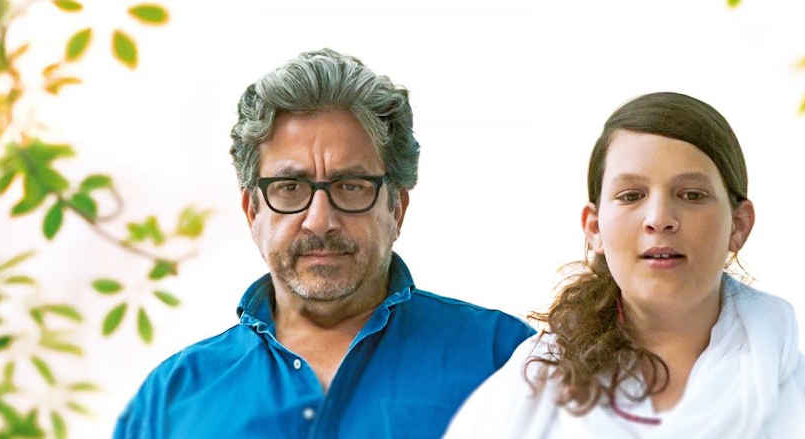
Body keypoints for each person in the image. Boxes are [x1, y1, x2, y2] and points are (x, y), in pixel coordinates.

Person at [113, 48, 535, 438]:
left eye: (351, 186)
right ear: (252, 211)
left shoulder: (505, 359)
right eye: (290, 187)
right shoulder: (171, 399)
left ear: (397, 208)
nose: (320, 220)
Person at [445, 92, 805, 438]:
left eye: (692, 195)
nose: (659, 219)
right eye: (631, 196)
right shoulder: (518, 406)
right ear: (594, 227)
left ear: (739, 225)